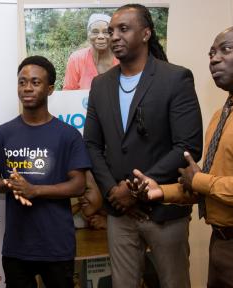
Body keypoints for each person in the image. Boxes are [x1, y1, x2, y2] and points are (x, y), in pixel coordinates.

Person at [133, 25, 233, 287]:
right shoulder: (223, 113)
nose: (214, 58)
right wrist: (160, 191)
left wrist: (199, 181)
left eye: (225, 50)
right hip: (222, 244)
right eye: (211, 54)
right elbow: (214, 185)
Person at [83, 4, 203, 288]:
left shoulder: (175, 78)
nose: (114, 36)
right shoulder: (100, 85)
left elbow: (187, 146)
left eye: (123, 29)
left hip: (164, 211)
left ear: (146, 33)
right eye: (112, 31)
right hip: (119, 212)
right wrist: (113, 191)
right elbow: (91, 144)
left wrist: (134, 190)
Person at [0, 55, 91, 288]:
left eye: (35, 82)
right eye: (22, 82)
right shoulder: (0, 135)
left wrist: (35, 190)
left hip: (57, 245)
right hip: (17, 246)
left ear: (50, 89)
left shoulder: (68, 135)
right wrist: (9, 184)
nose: (27, 88)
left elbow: (79, 185)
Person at [63, 13, 119, 90]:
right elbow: (68, 93)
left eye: (106, 32)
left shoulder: (122, 59)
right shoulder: (76, 59)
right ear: (88, 34)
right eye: (95, 32)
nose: (101, 36)